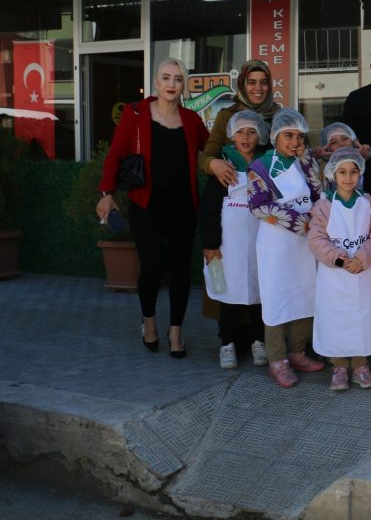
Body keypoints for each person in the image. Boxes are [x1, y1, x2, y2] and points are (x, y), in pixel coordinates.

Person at [98, 58, 210, 359]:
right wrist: (107, 193)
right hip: (145, 203)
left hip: (183, 205)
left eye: (177, 79)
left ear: (183, 85)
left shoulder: (191, 120)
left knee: (179, 269)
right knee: (151, 267)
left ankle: (176, 330)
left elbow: (210, 151)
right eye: (166, 78)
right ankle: (148, 322)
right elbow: (115, 154)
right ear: (156, 83)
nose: (172, 84)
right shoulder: (135, 114)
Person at [247, 108, 325, 388]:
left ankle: (297, 352)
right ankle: (277, 359)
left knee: (305, 295)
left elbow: (319, 193)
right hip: (276, 245)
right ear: (275, 137)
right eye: (288, 136)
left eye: (298, 136)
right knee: (278, 300)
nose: (294, 141)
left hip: (305, 247)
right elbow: (259, 206)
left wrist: (307, 160)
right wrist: (301, 223)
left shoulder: (304, 163)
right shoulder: (260, 167)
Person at [308, 149, 371, 391]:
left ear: (360, 173)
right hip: (334, 275)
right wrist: (339, 259)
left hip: (364, 273)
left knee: (363, 319)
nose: (348, 177)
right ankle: (339, 366)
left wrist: (363, 257)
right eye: (342, 172)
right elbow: (316, 239)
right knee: (336, 319)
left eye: (353, 172)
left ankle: (361, 365)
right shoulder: (323, 206)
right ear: (333, 174)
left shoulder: (369, 202)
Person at [199, 110, 267, 369]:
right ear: (231, 135)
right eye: (240, 132)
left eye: (251, 131)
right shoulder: (223, 166)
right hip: (227, 248)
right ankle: (226, 344)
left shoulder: (265, 165)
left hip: (260, 246)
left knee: (259, 295)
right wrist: (210, 243)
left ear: (259, 134)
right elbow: (209, 210)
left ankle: (259, 342)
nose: (246, 137)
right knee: (227, 296)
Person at [200, 59, 278, 189]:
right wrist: (213, 164)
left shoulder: (279, 117)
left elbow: (298, 149)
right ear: (242, 84)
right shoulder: (227, 116)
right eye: (252, 82)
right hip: (234, 191)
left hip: (272, 193)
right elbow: (205, 157)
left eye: (263, 82)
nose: (258, 88)